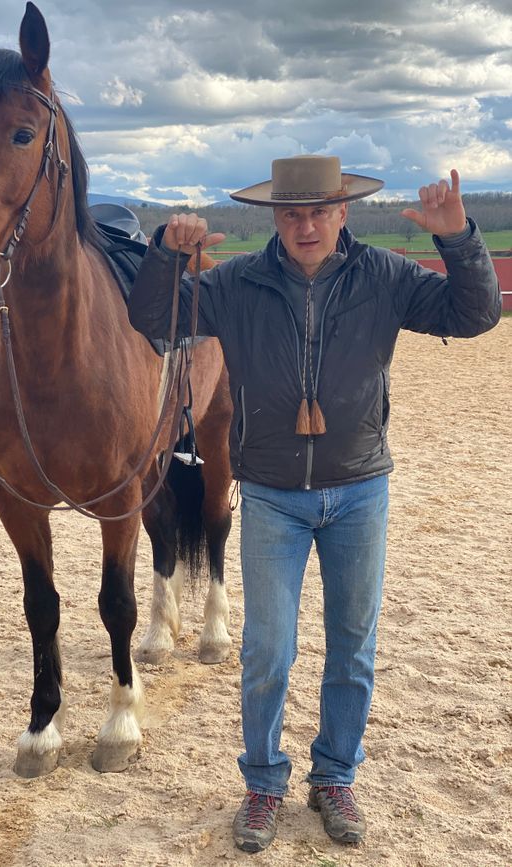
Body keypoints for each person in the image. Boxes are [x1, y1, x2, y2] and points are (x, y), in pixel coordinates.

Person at [127, 155, 501, 852]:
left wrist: (458, 237)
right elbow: (156, 323)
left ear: (343, 213)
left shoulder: (385, 278)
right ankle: (264, 784)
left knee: (352, 649)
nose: (305, 225)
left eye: (317, 211)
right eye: (291, 212)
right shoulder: (236, 282)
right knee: (268, 649)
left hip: (361, 488)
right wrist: (162, 255)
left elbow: (477, 312)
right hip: (270, 493)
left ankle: (334, 776)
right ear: (274, 218)